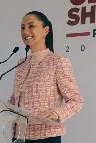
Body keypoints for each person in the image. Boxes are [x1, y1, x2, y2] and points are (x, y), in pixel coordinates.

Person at [8, 11, 83, 143]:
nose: (25, 31)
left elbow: (76, 101)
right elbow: (15, 100)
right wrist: (3, 109)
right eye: (22, 27)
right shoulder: (21, 64)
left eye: (31, 26)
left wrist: (56, 113)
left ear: (45, 30)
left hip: (46, 136)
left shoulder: (58, 62)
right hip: (19, 135)